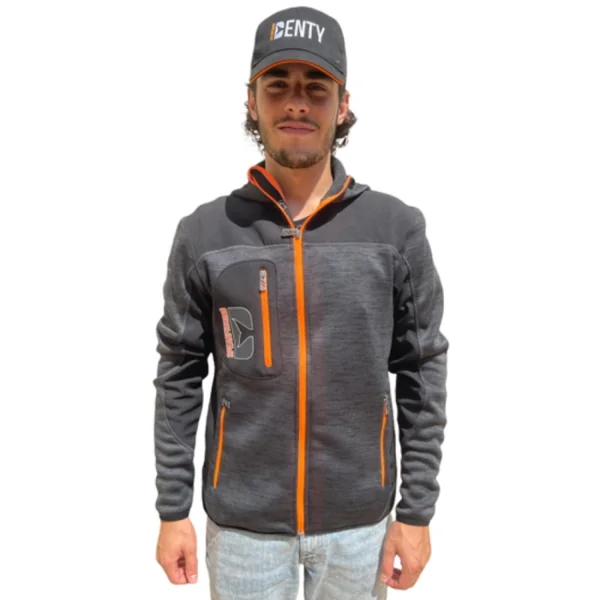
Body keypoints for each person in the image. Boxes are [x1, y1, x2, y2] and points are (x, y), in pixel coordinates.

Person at [153, 6, 449, 599]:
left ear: (342, 106)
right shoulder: (206, 233)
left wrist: (416, 513)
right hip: (242, 529)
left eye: (316, 87)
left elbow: (422, 369)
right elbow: (179, 372)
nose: (296, 103)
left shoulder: (395, 229)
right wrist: (172, 509)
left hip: (360, 526)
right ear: (251, 100)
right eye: (278, 86)